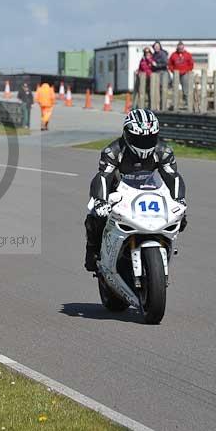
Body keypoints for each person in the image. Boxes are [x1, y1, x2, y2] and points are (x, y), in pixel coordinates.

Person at [83, 108, 187, 272]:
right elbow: (103, 177)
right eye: (138, 140)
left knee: (181, 218)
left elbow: (172, 176)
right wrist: (100, 201)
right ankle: (93, 250)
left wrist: (179, 199)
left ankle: (163, 247)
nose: (144, 144)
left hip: (150, 189)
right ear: (127, 135)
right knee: (95, 215)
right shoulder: (113, 151)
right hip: (117, 191)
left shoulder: (163, 151)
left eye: (149, 139)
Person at [167, 41, 194, 107]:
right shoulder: (173, 54)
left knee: (186, 89)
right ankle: (174, 103)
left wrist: (187, 71)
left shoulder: (188, 54)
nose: (180, 49)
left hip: (185, 73)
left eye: (181, 48)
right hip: (176, 74)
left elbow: (191, 64)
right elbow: (170, 64)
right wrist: (173, 71)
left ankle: (187, 103)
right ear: (177, 47)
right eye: (179, 48)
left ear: (183, 47)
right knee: (175, 89)